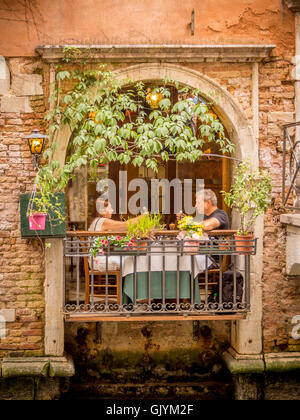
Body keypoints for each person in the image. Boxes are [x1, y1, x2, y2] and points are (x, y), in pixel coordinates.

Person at [88, 197, 143, 272]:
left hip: (95, 259)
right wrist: (143, 217)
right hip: (98, 261)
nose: (112, 210)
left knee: (128, 259)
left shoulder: (97, 221)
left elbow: (117, 236)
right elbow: (127, 225)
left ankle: (126, 282)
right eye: (110, 208)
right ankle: (129, 283)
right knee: (130, 261)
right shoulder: (103, 221)